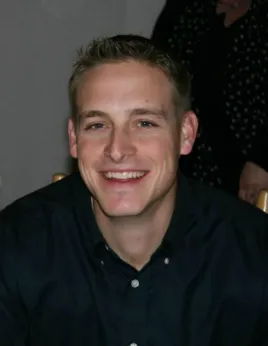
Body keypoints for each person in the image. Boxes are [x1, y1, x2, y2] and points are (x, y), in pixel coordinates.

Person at [0, 34, 268, 346]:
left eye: (144, 123)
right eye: (97, 125)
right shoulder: (14, 246)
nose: (117, 149)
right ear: (74, 139)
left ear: (186, 134)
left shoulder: (254, 252)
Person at [152, 0, 268, 204]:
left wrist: (262, 161)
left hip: (252, 171)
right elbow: (153, 76)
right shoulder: (184, 8)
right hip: (186, 166)